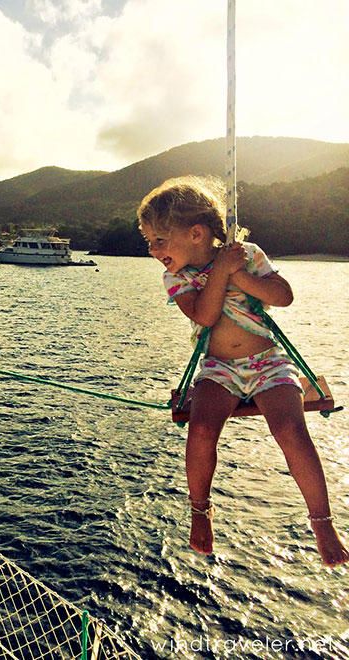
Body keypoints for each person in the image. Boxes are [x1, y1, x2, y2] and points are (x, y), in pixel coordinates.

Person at [136, 175, 348, 567]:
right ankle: (200, 510)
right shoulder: (177, 277)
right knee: (200, 430)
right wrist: (221, 273)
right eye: (148, 241)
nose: (152, 250)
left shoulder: (245, 255)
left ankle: (321, 520)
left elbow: (283, 297)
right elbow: (204, 314)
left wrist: (241, 275)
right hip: (218, 368)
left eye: (159, 240)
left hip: (268, 361)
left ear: (196, 233)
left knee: (290, 429)